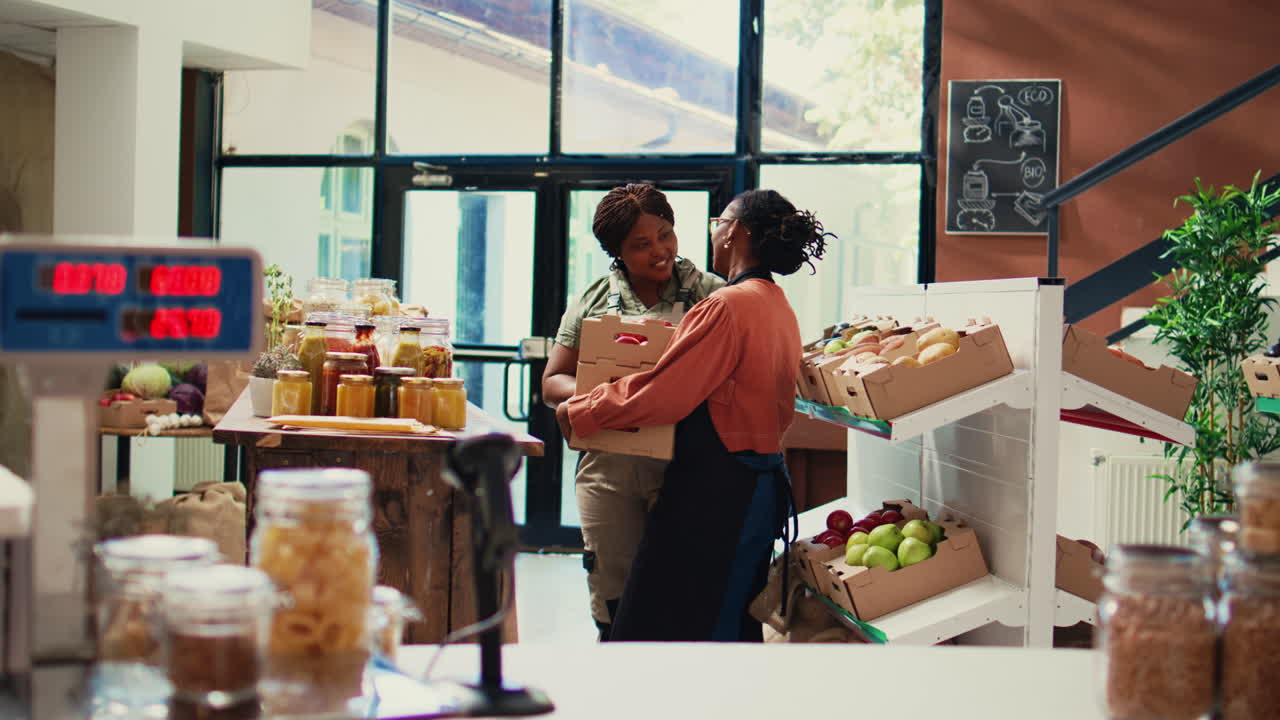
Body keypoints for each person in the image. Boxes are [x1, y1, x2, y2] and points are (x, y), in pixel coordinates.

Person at [556, 188, 833, 641]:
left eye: (717, 223)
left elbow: (667, 393)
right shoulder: (775, 303)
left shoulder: (724, 304)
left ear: (735, 232)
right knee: (723, 620)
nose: (712, 234)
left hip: (719, 492)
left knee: (673, 632)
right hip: (755, 483)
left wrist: (583, 409)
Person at [542, 183, 725, 641]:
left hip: (687, 467)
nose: (659, 251)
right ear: (617, 252)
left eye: (665, 235)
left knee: (681, 594)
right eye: (641, 245)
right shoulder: (593, 300)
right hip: (609, 472)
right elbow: (552, 382)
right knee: (614, 594)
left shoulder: (712, 295)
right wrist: (607, 394)